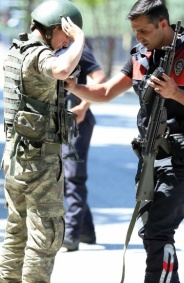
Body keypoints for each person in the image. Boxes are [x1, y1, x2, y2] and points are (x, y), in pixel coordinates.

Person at [65, 0, 184, 283]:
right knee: (152, 230)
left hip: (181, 157)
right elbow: (106, 91)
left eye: (144, 30)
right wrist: (74, 87)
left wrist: (176, 93)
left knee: (157, 231)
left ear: (163, 24)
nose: (139, 37)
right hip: (150, 156)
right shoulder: (140, 55)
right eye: (135, 31)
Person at [0, 0, 85, 283]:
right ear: (55, 27)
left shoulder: (16, 51)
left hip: (16, 157)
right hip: (39, 161)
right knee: (45, 232)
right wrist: (80, 42)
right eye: (65, 35)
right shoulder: (38, 54)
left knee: (16, 229)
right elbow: (59, 70)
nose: (65, 43)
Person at [58, 43, 106, 252]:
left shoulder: (78, 49)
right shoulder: (50, 48)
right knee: (64, 178)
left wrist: (83, 106)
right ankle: (86, 230)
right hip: (59, 122)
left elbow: (100, 79)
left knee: (73, 177)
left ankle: (72, 233)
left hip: (77, 121)